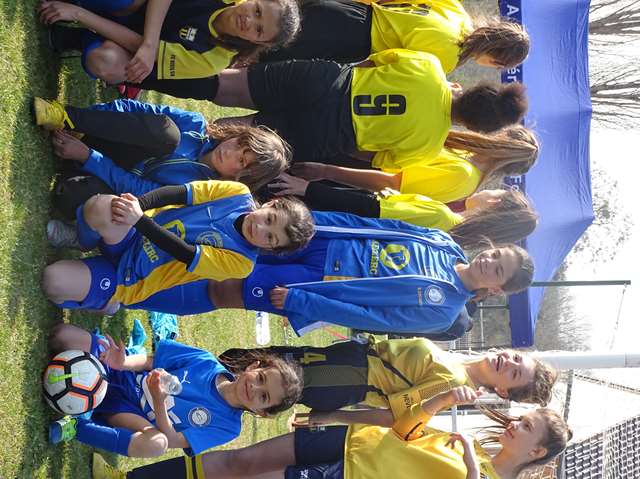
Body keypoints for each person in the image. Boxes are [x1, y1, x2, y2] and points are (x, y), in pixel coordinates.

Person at [119, 210, 535, 336]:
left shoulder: (443, 312)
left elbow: (370, 319)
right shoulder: (442, 241)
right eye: (496, 254)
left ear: (497, 287)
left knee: (223, 290)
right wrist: (311, 219)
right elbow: (373, 226)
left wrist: (305, 302)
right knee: (228, 247)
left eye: (497, 268)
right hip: (317, 242)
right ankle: (129, 249)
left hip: (317, 285)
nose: (488, 260)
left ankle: (123, 295)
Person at [140, 49, 528, 170]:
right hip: (327, 133)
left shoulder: (429, 68)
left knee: (222, 84)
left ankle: (139, 68)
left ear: (478, 90)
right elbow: (370, 157)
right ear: (475, 126)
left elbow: (371, 62)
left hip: (328, 82)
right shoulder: (429, 146)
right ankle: (137, 146)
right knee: (222, 137)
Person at [92, 386, 572, 479]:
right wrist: (443, 400)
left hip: (344, 475)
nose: (514, 424)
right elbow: (403, 429)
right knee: (238, 461)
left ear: (537, 452)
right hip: (346, 441)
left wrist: (467, 457)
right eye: (521, 418)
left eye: (526, 427)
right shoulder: (468, 446)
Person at [41, 180, 314, 313]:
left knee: (53, 280)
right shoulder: (238, 193)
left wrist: (139, 220)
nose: (261, 229)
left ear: (271, 249)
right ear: (270, 204)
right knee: (103, 206)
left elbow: (185, 253)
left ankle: (104, 299)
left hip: (132, 277)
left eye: (271, 238)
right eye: (269, 219)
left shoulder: (242, 264)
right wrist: (136, 208)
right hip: (132, 233)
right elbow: (179, 192)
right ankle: (81, 241)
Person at [47, 323, 303, 458]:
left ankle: (76, 427)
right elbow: (150, 361)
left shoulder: (228, 427)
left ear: (262, 412)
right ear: (254, 366)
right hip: (125, 377)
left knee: (156, 445)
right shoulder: (205, 361)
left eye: (264, 397)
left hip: (131, 414)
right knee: (62, 336)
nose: (254, 388)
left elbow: (170, 439)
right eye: (261, 378)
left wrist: (159, 402)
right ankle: (87, 389)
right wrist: (122, 362)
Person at [33, 98, 291, 224]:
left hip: (109, 178)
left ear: (242, 178)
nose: (231, 153)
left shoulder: (203, 190)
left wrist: (87, 157)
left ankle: (73, 165)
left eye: (242, 162)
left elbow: (141, 191)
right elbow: (133, 109)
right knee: (168, 135)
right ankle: (66, 117)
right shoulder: (196, 125)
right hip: (105, 140)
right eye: (239, 145)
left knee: (68, 196)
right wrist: (84, 122)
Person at [219, 336, 557, 415]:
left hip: (348, 377)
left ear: (503, 391)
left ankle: (205, 396)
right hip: (348, 357)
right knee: (261, 360)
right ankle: (205, 371)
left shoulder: (455, 383)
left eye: (514, 373)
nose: (507, 362)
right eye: (516, 358)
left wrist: (334, 417)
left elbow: (400, 406)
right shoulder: (459, 359)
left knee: (259, 383)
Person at [37, 0, 301, 89]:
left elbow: (137, 46)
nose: (249, 20)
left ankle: (73, 37)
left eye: (258, 29)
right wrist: (150, 43)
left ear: (258, 42)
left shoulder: (214, 60)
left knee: (107, 63)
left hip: (125, 44)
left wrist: (80, 15)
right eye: (257, 10)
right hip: (133, 9)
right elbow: (147, 46)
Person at [288, 124, 539, 204]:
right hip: (350, 153)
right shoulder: (465, 152)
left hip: (347, 173)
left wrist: (326, 171)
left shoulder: (464, 176)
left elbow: (392, 182)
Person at [261, 0, 529, 73]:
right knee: (261, 54)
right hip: (349, 41)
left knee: (264, 21)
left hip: (350, 9)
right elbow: (383, 66)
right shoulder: (447, 59)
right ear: (497, 61)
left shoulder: (456, 10)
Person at [269, 175, 539, 248]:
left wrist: (307, 188)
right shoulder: (451, 244)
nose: (491, 190)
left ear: (494, 204)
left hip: (320, 217)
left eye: (498, 192)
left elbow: (368, 210)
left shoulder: (442, 217)